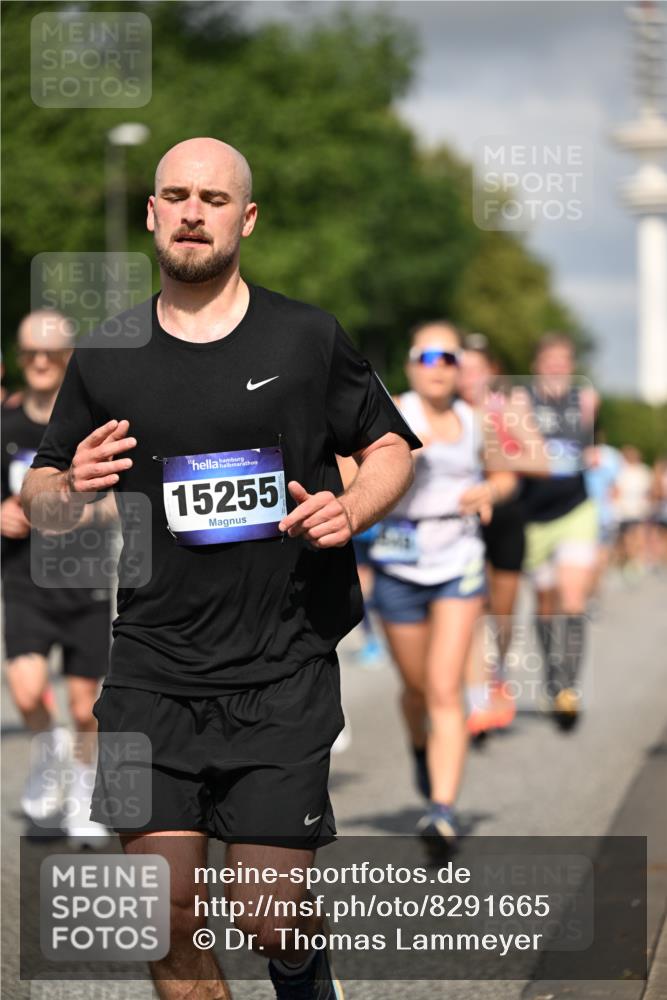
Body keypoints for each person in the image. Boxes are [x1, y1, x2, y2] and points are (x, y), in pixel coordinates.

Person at [22, 137, 419, 1000]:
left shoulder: (306, 337)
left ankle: (302, 969)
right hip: (149, 670)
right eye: (176, 196)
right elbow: (40, 495)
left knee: (267, 915)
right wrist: (68, 485)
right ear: (151, 213)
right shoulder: (109, 352)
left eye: (213, 199)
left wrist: (350, 509)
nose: (193, 213)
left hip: (280, 669)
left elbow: (390, 446)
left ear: (247, 218)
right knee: (164, 919)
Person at [368, 321, 515, 846]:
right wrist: (396, 459)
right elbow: (347, 475)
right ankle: (419, 748)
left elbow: (504, 474)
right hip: (398, 560)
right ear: (410, 365)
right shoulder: (389, 413)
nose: (439, 368)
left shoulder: (475, 420)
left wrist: (490, 493)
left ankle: (442, 810)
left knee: (444, 687)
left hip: (459, 559)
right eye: (427, 357)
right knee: (416, 690)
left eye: (449, 358)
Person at [1, 311, 113, 842]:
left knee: (85, 708)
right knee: (25, 694)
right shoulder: (5, 424)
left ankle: (86, 792)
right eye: (31, 352)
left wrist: (80, 513)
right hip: (23, 579)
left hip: (84, 581)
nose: (40, 361)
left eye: (51, 352)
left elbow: (122, 499)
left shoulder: (91, 424)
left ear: (70, 357)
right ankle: (50, 754)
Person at [458, 336, 548, 736]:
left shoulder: (507, 407)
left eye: (475, 370)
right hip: (463, 518)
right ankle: (477, 698)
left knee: (502, 609)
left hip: (508, 514)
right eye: (462, 369)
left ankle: (498, 670)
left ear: (491, 372)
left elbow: (541, 461)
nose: (467, 378)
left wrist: (493, 456)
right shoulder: (445, 410)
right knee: (473, 604)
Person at [522, 333, 598, 729]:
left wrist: (590, 451)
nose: (556, 366)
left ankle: (568, 686)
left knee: (573, 598)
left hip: (575, 509)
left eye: (563, 360)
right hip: (534, 517)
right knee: (546, 601)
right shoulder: (519, 401)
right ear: (536, 364)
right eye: (549, 359)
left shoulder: (585, 400)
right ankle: (552, 675)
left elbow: (588, 447)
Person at [583, 429, 622, 610]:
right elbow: (615, 489)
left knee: (586, 560)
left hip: (582, 515)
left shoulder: (574, 452)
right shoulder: (612, 456)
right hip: (604, 515)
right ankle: (592, 597)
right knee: (599, 560)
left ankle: (586, 596)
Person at [614, 445, 653, 581]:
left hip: (639, 510)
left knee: (639, 536)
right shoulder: (620, 471)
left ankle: (638, 561)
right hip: (624, 511)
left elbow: (649, 491)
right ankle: (629, 561)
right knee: (627, 539)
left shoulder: (643, 471)